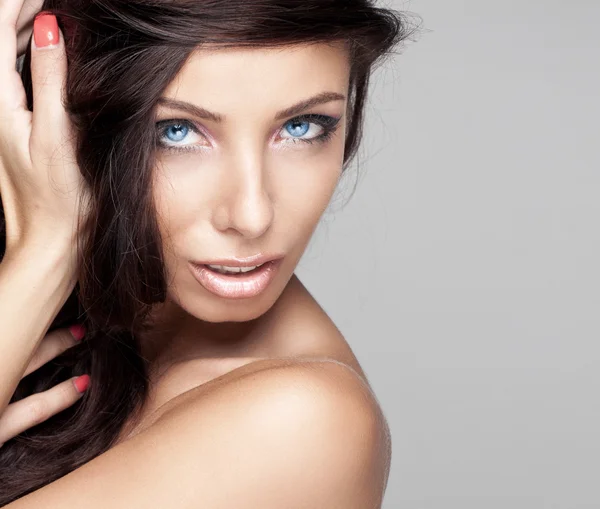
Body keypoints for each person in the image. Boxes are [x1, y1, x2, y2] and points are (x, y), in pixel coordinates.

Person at [0, 0, 416, 506]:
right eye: (176, 131)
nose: (251, 215)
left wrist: (43, 254)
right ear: (60, 114)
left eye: (303, 126)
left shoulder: (299, 421)